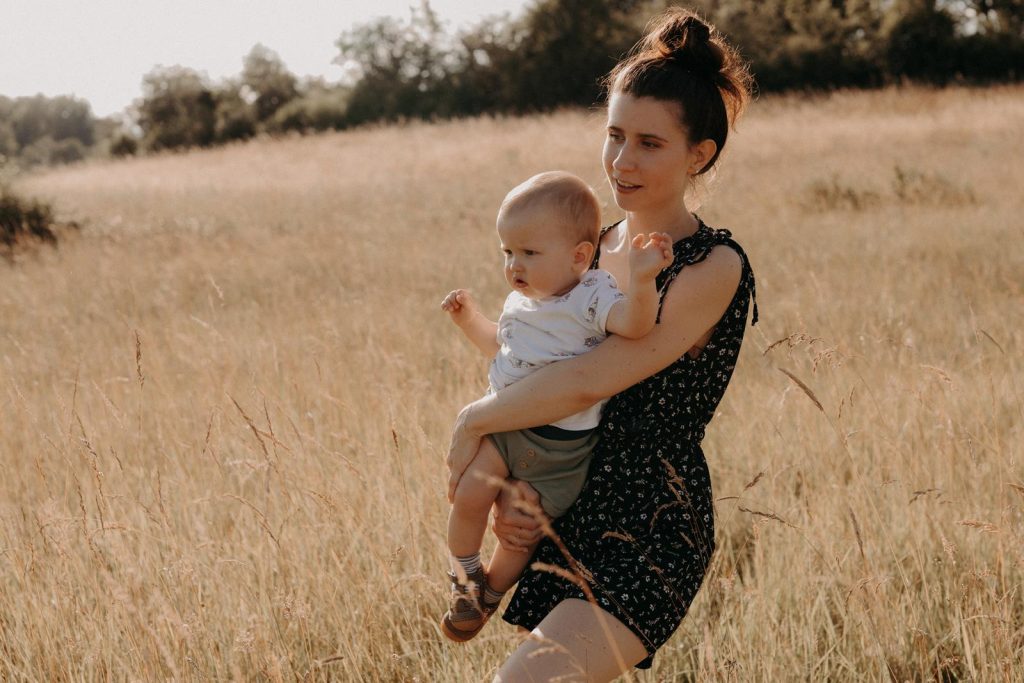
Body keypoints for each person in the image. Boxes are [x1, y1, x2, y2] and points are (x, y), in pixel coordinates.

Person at [444, 8, 758, 681]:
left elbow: (590, 379)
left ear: (699, 154)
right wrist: (513, 492)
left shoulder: (713, 265)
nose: (621, 160)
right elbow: (535, 355)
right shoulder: (586, 250)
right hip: (567, 499)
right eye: (614, 135)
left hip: (650, 523)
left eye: (649, 142)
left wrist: (474, 419)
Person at [439, 170, 674, 642]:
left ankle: (491, 593)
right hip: (506, 427)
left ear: (579, 256)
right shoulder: (518, 303)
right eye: (507, 251)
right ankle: (465, 580)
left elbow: (634, 325)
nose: (513, 265)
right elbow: (500, 349)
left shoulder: (592, 295)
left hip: (561, 449)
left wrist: (644, 279)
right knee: (467, 496)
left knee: (517, 535)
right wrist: (469, 320)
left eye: (528, 252)